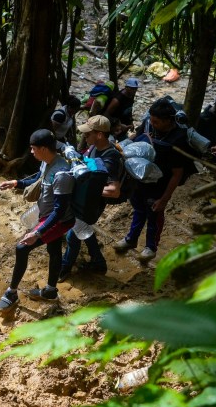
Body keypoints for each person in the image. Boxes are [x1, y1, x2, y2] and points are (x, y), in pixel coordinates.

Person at [0, 129, 75, 309]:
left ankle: (11, 293)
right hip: (48, 215)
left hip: (60, 220)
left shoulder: (62, 173)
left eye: (33, 148)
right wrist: (16, 183)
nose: (31, 152)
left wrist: (38, 233)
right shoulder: (47, 163)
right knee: (54, 250)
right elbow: (39, 179)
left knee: (22, 247)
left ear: (44, 149)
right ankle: (50, 291)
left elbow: (60, 211)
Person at [113, 97, 188, 261]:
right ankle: (131, 239)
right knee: (138, 209)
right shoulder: (148, 123)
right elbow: (136, 136)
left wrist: (164, 198)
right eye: (152, 120)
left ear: (169, 121)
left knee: (154, 214)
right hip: (138, 178)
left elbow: (177, 173)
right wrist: (122, 145)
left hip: (159, 185)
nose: (153, 124)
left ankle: (150, 247)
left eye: (157, 122)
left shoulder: (177, 139)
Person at [59, 115, 125, 277]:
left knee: (73, 235)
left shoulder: (110, 157)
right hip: (83, 199)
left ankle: (63, 270)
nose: (84, 136)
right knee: (82, 228)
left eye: (88, 134)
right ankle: (98, 262)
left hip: (93, 203)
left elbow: (114, 190)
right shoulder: (94, 147)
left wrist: (89, 189)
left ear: (100, 135)